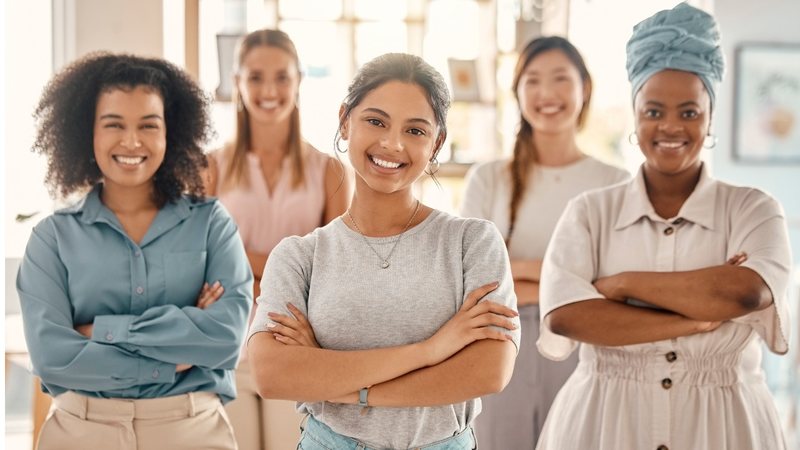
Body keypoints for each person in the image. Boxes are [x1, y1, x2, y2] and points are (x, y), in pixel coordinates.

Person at [536, 3, 792, 449]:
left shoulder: (754, 209)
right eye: (653, 111)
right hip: (604, 423)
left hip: (724, 427)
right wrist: (696, 318)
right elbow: (567, 315)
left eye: (689, 112)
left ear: (710, 115)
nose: (670, 126)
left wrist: (621, 285)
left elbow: (744, 293)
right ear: (634, 115)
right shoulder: (589, 212)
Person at [247, 52, 521, 450]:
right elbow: (273, 375)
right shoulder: (299, 256)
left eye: (415, 130)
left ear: (436, 143)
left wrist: (340, 384)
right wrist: (431, 350)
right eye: (375, 121)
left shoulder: (471, 243)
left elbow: (488, 371)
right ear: (345, 122)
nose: (392, 144)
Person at [17, 52, 252, 450]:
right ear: (86, 132)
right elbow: (54, 357)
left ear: (170, 133)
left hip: (191, 430)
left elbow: (226, 339)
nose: (131, 141)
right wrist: (176, 352)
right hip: (82, 433)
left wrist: (103, 332)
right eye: (114, 124)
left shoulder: (211, 223)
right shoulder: (51, 238)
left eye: (148, 125)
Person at [460, 36, 629, 449]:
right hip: (497, 343)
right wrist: (568, 279)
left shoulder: (614, 183)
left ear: (584, 88)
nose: (546, 93)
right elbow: (472, 282)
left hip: (584, 349)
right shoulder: (487, 178)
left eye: (560, 79)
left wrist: (512, 268)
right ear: (517, 92)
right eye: (532, 80)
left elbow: (612, 287)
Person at [205, 28, 352, 450]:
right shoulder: (209, 168)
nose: (269, 90)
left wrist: (241, 267)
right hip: (224, 342)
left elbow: (338, 264)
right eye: (255, 77)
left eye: (281, 77)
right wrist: (288, 268)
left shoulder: (330, 171)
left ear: (299, 81)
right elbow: (199, 260)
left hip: (296, 343)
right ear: (237, 83)